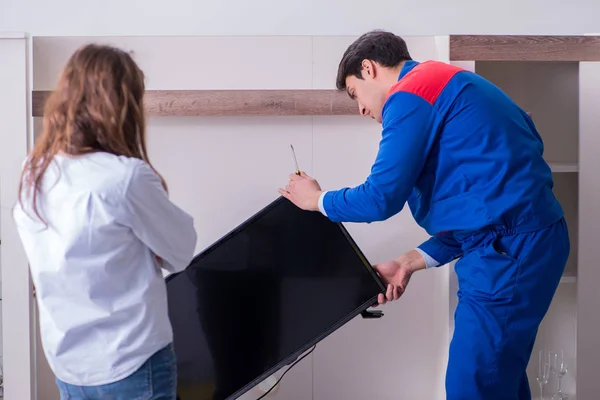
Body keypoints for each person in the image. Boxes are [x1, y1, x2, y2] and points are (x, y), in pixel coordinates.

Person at [279, 30, 569, 400]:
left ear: (368, 68)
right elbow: (480, 209)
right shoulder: (450, 81)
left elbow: (380, 199)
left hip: (508, 252)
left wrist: (316, 199)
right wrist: (408, 261)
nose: (362, 109)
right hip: (519, 242)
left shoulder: (411, 93)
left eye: (355, 94)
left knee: (472, 387)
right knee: (499, 379)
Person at [13, 44, 197, 400]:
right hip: (132, 363)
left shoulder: (33, 172)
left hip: (69, 365)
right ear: (125, 107)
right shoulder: (124, 178)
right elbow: (182, 250)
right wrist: (145, 248)